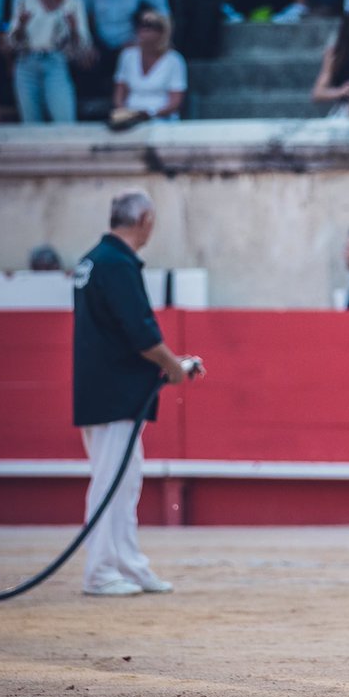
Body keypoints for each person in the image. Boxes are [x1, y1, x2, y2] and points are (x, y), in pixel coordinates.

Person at [73, 190, 203, 597]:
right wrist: (171, 367)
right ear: (144, 219)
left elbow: (120, 333)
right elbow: (141, 333)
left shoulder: (95, 260)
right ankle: (100, 571)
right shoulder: (116, 263)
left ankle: (127, 564)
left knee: (122, 482)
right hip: (115, 394)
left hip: (106, 389)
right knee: (112, 482)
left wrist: (170, 364)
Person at [8, 0, 92, 122]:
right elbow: (13, 42)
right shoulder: (26, 2)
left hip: (56, 62)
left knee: (64, 120)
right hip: (26, 63)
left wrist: (73, 29)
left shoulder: (73, 3)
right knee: (31, 123)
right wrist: (21, 25)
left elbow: (82, 46)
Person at [110, 9, 186, 120]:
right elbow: (119, 93)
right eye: (141, 24)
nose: (144, 29)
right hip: (130, 120)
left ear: (162, 31)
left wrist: (151, 114)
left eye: (150, 25)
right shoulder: (127, 56)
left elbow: (175, 101)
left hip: (162, 120)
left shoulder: (174, 60)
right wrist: (124, 113)